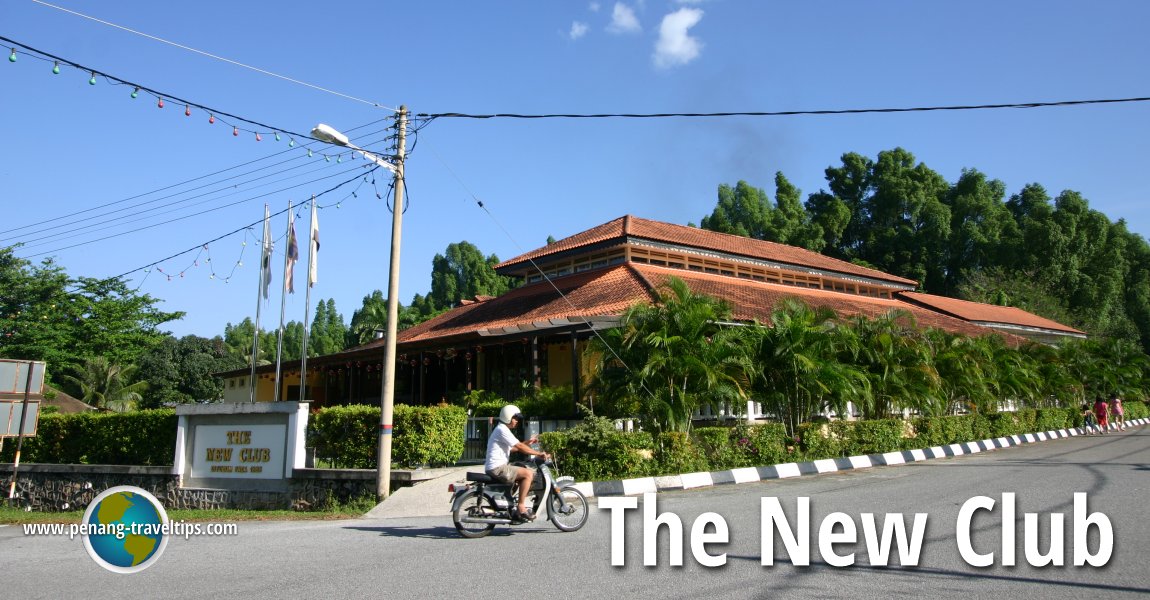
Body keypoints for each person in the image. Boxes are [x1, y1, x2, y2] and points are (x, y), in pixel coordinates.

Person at [485, 404, 549, 522]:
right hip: (497, 468)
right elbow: (519, 446)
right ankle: (521, 507)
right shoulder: (502, 429)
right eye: (515, 418)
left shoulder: (501, 429)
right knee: (528, 474)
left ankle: (511, 507)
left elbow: (513, 448)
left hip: (496, 466)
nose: (517, 421)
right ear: (507, 417)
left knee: (519, 472)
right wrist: (539, 453)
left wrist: (528, 442)